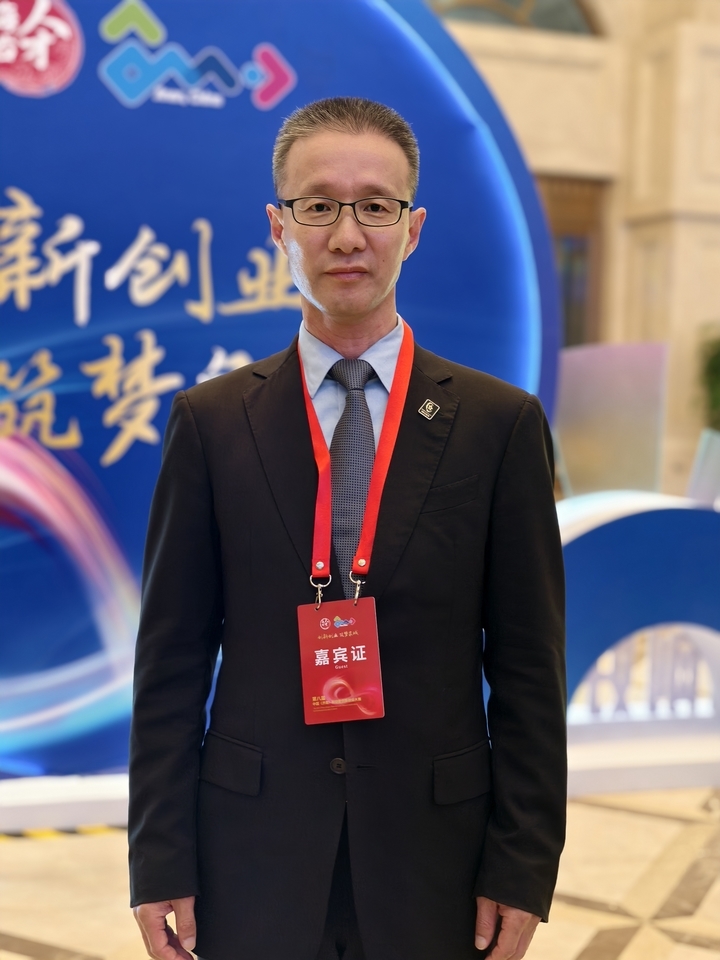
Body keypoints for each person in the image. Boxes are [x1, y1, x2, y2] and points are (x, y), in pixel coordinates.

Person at [129, 97, 566, 960]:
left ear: (413, 229)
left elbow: (528, 668)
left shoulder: (498, 424)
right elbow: (171, 660)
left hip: (437, 858)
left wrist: (522, 868)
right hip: (251, 852)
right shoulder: (211, 422)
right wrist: (159, 857)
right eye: (319, 205)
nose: (347, 234)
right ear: (278, 226)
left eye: (375, 206)